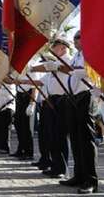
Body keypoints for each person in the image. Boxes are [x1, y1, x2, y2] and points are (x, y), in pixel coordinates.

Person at [57, 31, 98, 194]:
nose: (75, 42)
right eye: (74, 39)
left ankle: (91, 180)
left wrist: (66, 68)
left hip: (86, 96)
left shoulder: (90, 53)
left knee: (86, 140)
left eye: (78, 38)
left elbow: (90, 70)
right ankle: (79, 175)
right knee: (75, 138)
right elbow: (72, 70)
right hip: (73, 98)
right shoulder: (76, 56)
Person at [29, 38, 72, 180]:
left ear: (63, 47)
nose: (52, 49)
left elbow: (49, 66)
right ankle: (55, 166)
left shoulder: (67, 60)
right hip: (52, 100)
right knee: (53, 135)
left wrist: (33, 68)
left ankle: (62, 168)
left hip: (62, 100)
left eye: (55, 46)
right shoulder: (57, 62)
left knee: (59, 136)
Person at [0, 84, 15, 153]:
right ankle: (0, 145)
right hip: (0, 108)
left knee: (6, 129)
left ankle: (6, 147)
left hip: (8, 108)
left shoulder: (10, 85)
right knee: (0, 128)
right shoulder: (1, 85)